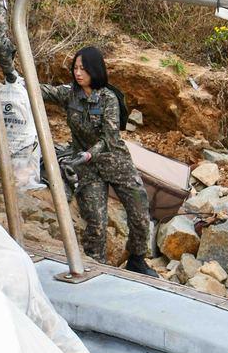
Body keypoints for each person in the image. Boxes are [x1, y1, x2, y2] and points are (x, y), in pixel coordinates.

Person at [41, 46, 152, 275]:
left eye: (84, 68)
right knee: (96, 224)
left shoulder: (108, 98)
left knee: (140, 213)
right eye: (76, 68)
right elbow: (41, 91)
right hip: (87, 169)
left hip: (115, 162)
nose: (78, 73)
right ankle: (95, 268)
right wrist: (14, 82)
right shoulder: (69, 94)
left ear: (95, 70)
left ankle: (137, 259)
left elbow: (108, 138)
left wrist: (90, 153)